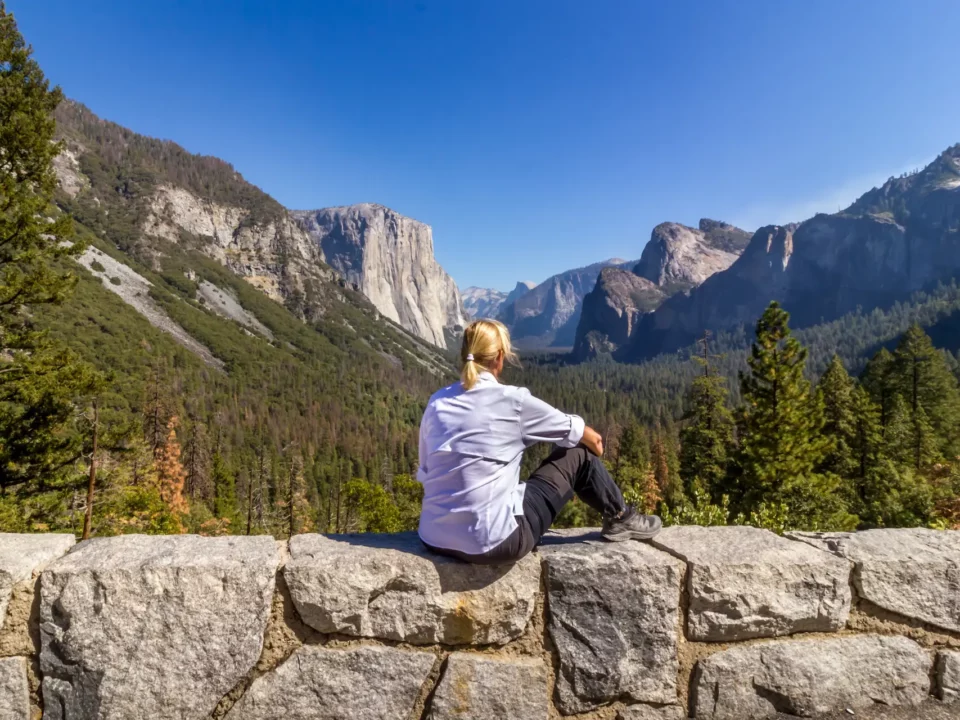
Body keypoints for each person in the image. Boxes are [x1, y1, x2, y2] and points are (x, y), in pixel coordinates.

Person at [416, 319, 661, 564]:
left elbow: (426, 469)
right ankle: (621, 516)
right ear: (499, 357)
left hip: (433, 537)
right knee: (578, 452)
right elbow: (592, 440)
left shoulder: (436, 402)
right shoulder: (514, 401)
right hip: (494, 542)